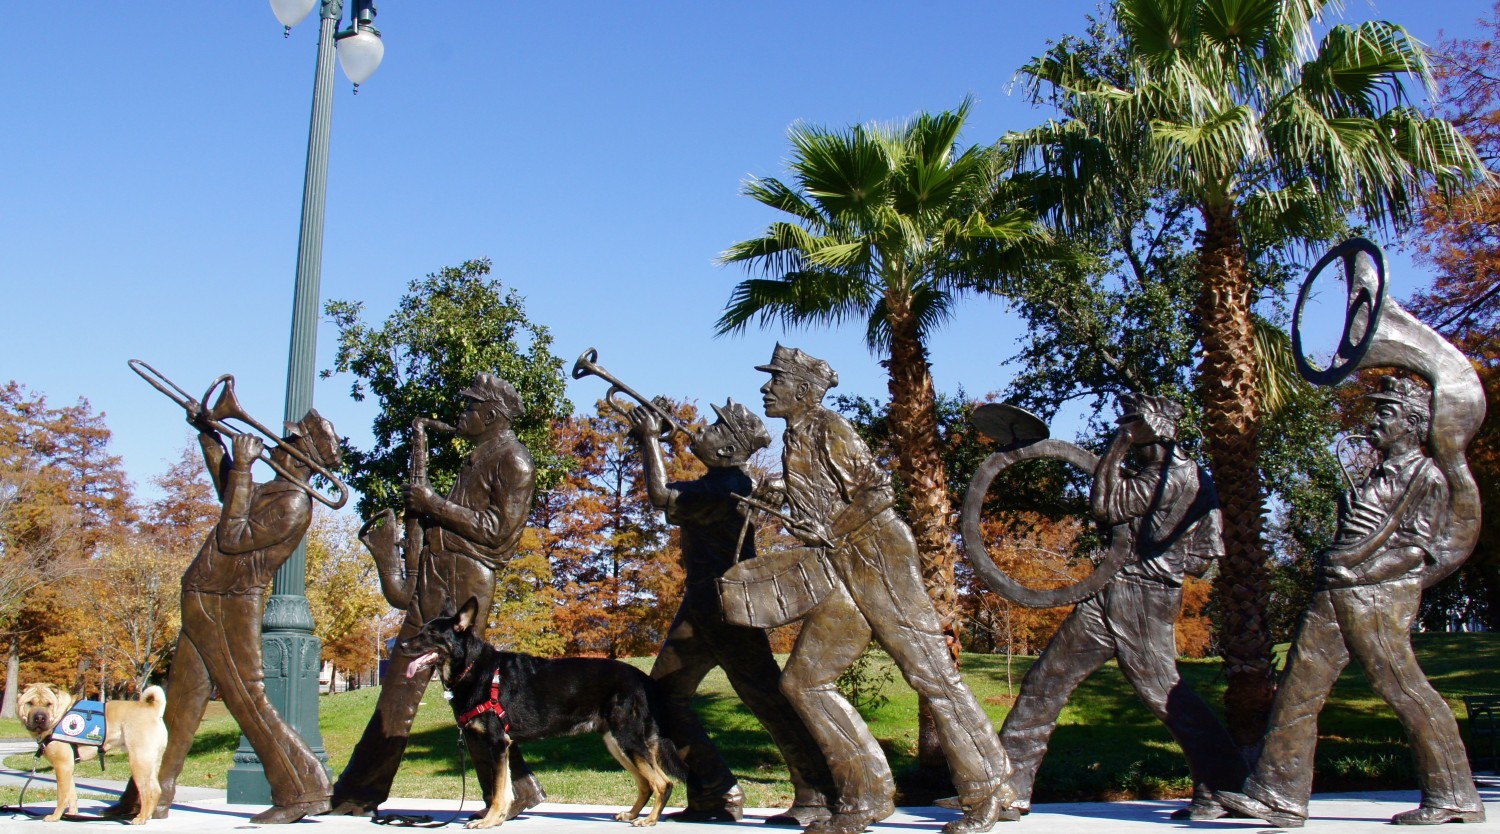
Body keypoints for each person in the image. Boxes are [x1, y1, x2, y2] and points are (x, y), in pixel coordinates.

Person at [753, 345, 1013, 834]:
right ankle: (866, 796)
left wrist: (832, 527)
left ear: (804, 391)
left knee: (931, 673)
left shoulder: (831, 427)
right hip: (840, 565)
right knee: (803, 682)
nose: (766, 388)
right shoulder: (796, 435)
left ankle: (988, 789)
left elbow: (876, 493)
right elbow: (818, 498)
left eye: (776, 380)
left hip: (877, 555)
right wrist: (777, 496)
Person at [1217, 377, 1486, 827]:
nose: (1374, 420)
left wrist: (1357, 571)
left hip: (1378, 596)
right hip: (1337, 592)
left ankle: (1454, 794)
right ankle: (1278, 794)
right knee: (1298, 689)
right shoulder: (1375, 475)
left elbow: (1415, 550)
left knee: (1402, 689)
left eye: (1386, 412)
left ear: (1412, 424)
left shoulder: (1427, 478)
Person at [996, 393, 1246, 819]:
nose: (1123, 427)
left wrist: (1118, 446)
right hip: (1115, 591)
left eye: (1130, 421)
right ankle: (1005, 789)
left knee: (1162, 691)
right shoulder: (1187, 475)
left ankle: (1226, 785)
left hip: (1141, 597)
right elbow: (1205, 556)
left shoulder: (1167, 477)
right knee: (1045, 683)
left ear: (1151, 427)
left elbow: (1104, 505)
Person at [108, 407, 343, 823]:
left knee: (247, 698)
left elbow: (233, 536)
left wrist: (244, 469)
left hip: (228, 604)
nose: (276, 444)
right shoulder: (271, 489)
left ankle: (303, 788)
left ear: (303, 456)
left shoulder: (292, 503)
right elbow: (229, 495)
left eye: (288, 442)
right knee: (179, 705)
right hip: (205, 599)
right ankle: (148, 796)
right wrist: (210, 438)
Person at [329, 372, 545, 817]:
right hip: (438, 574)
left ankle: (357, 794)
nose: (461, 415)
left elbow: (500, 533)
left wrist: (432, 504)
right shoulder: (480, 456)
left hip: (467, 579)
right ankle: (515, 790)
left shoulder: (514, 461)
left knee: (463, 693)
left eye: (468, 407)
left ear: (490, 414)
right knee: (407, 688)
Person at [627, 400, 837, 826]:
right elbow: (673, 494)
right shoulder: (721, 482)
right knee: (666, 697)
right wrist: (654, 443)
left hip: (723, 608)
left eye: (714, 429)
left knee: (766, 700)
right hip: (705, 605)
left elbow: (662, 496)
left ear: (726, 451)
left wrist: (650, 440)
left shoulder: (725, 486)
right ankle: (715, 791)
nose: (701, 430)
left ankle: (814, 792)